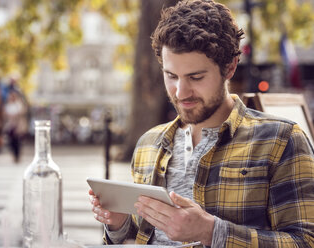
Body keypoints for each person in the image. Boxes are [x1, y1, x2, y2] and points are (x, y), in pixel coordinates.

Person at [89, 0, 314, 247]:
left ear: (229, 68)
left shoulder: (281, 140)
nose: (181, 92)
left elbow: (305, 241)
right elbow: (136, 236)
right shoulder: (148, 144)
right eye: (171, 76)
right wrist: (118, 224)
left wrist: (210, 231)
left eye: (195, 77)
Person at [3, 90, 27, 163]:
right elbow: (5, 114)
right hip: (10, 125)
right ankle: (14, 155)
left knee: (17, 141)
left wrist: (15, 116)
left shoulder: (18, 104)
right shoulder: (8, 105)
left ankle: (17, 156)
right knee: (10, 141)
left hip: (17, 125)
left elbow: (22, 112)